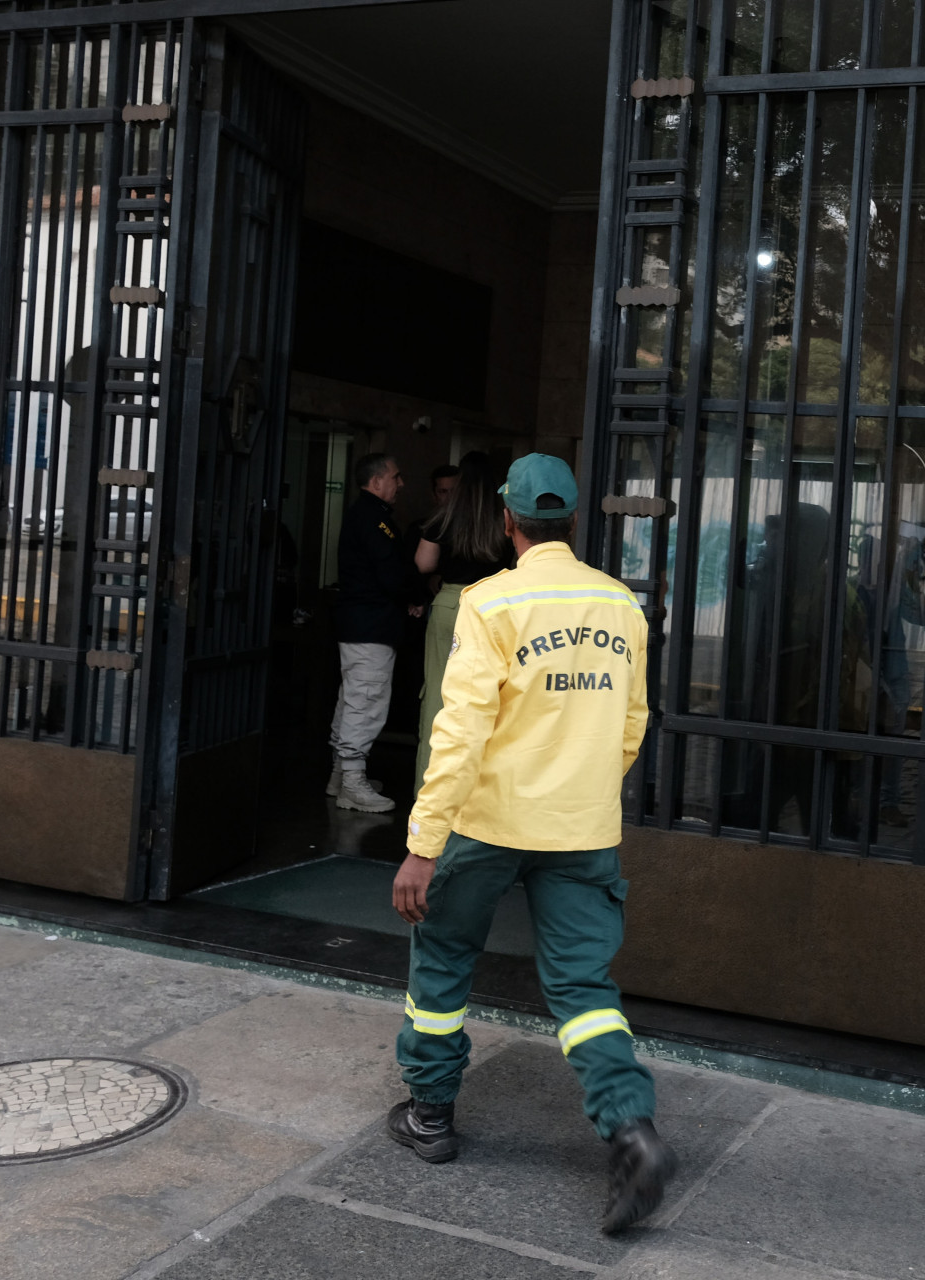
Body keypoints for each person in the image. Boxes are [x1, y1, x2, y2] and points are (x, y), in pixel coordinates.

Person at [387, 453, 676, 1235]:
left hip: (488, 823)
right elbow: (632, 724)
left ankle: (430, 1114)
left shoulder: (491, 603)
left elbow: (459, 733)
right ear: (573, 521)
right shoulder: (621, 604)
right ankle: (630, 1128)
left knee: (444, 957)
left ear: (508, 522)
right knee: (583, 989)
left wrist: (423, 844)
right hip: (582, 829)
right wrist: (581, 785)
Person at [411, 452, 512, 792]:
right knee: (488, 698)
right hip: (493, 606)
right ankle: (476, 793)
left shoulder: (445, 516)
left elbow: (423, 563)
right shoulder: (505, 517)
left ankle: (429, 790)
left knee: (438, 699)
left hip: (450, 604)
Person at [328, 452, 420, 813]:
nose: (401, 484)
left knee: (353, 698)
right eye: (395, 477)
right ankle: (352, 782)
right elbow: (391, 573)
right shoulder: (373, 518)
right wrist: (415, 596)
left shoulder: (366, 515)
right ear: (376, 481)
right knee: (365, 701)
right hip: (371, 625)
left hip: (363, 623)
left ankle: (340, 776)